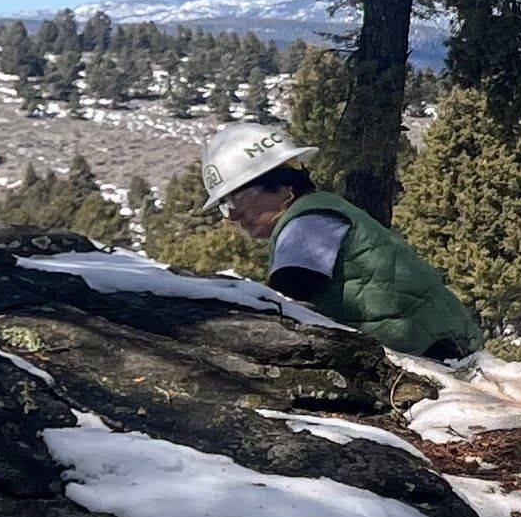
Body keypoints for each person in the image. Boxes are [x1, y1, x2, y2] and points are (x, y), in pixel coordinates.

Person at [194, 124, 483, 360]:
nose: (232, 215)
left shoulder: (307, 222)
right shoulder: (319, 211)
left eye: (237, 198)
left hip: (431, 351)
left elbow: (283, 305)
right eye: (224, 204)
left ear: (283, 185)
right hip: (442, 343)